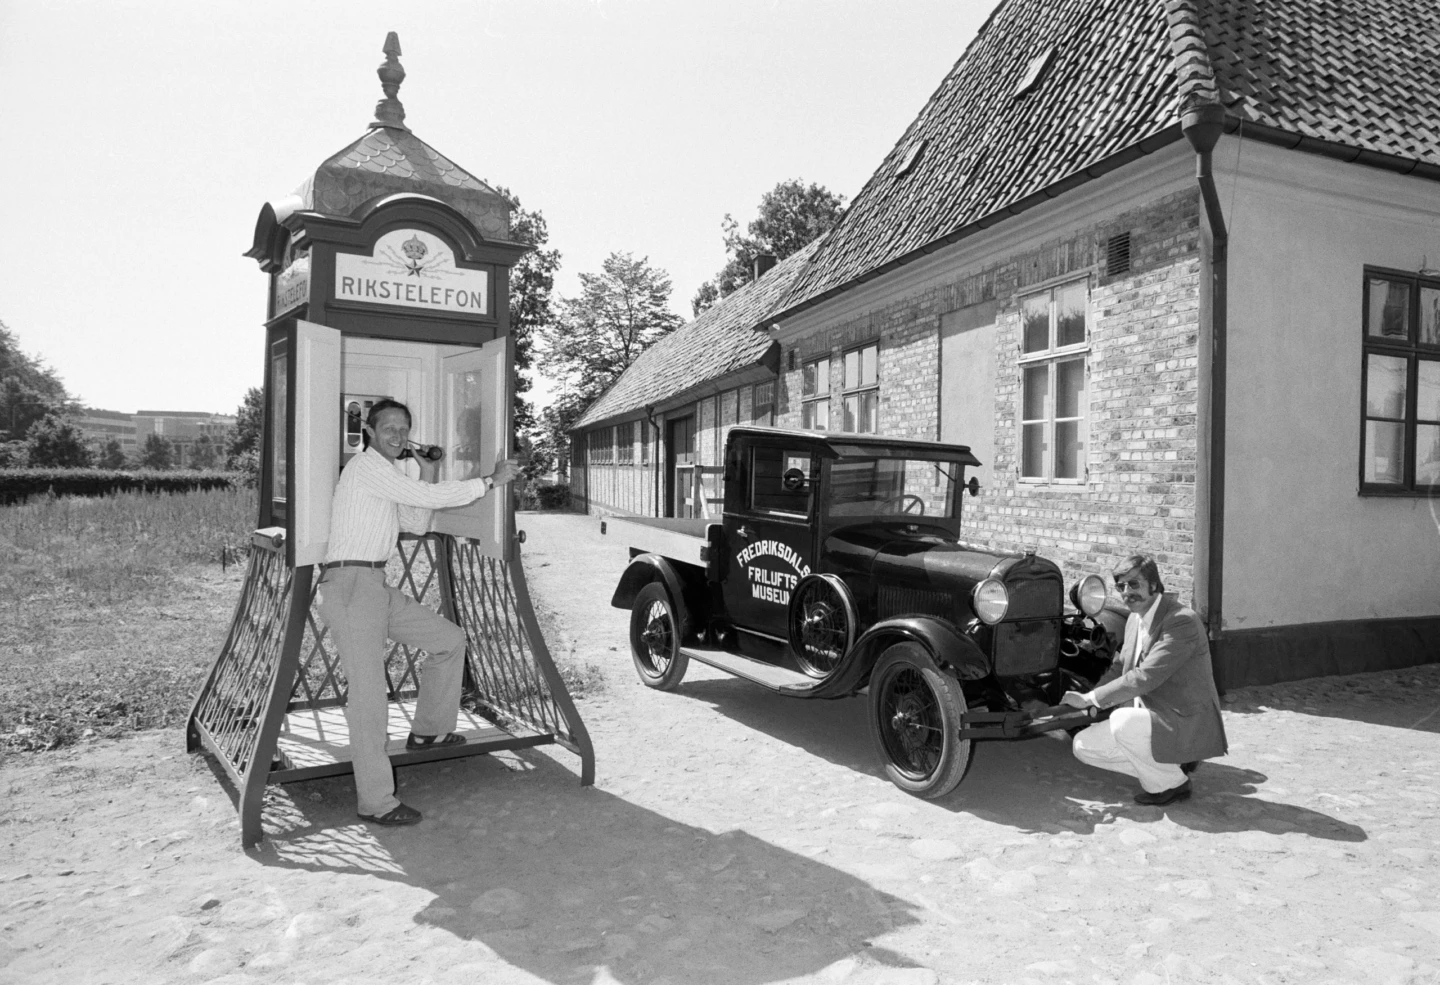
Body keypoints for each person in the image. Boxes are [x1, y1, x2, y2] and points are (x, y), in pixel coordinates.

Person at [318, 398, 518, 827]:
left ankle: (428, 730)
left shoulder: (388, 473)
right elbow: (424, 498)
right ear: (369, 432)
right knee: (369, 697)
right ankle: (376, 801)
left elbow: (416, 519)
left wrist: (426, 467)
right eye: (387, 427)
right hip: (350, 586)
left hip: (374, 586)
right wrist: (490, 481)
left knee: (448, 640)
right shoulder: (366, 467)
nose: (396, 435)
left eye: (402, 428)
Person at [1061, 555, 1228, 806]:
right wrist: (1088, 702)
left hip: (1182, 718)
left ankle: (1171, 783)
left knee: (1121, 721)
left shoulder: (1181, 620)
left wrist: (1090, 699)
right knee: (1083, 746)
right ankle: (1169, 772)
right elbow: (1119, 668)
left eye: (1134, 584)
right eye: (1121, 586)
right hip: (1149, 715)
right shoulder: (1134, 619)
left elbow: (1146, 676)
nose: (1127, 592)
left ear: (1153, 584)